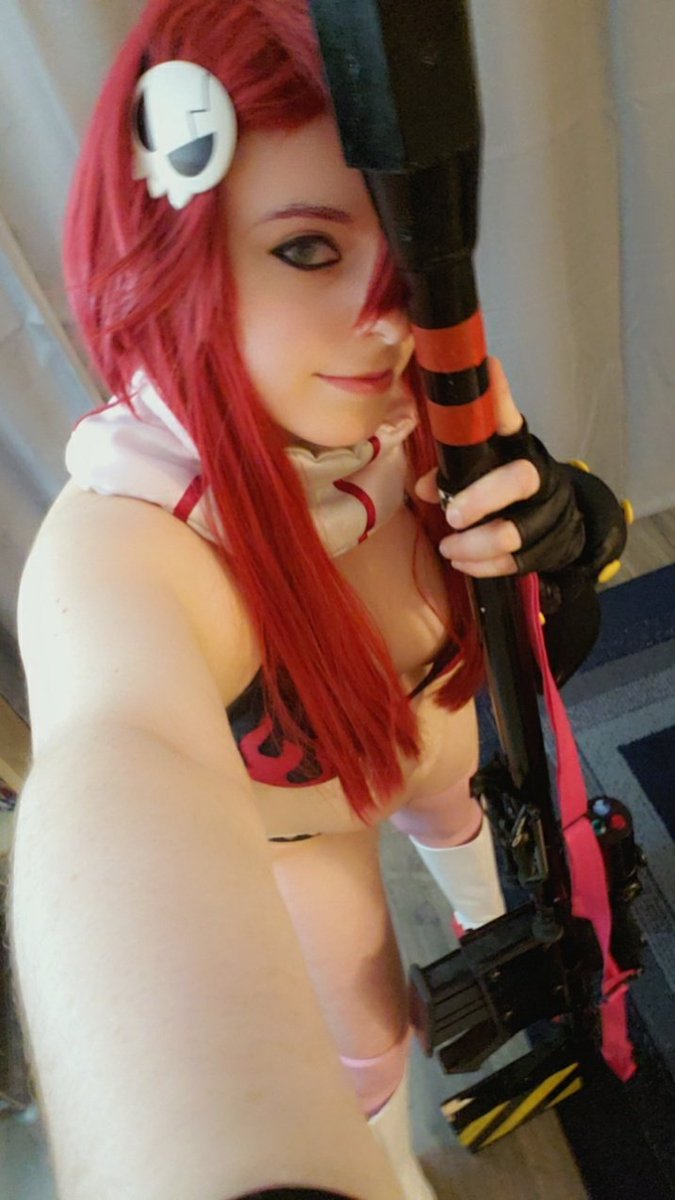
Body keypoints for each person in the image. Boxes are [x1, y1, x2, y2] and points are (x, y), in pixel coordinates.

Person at [7, 1, 625, 1198]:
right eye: (305, 249)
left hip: (454, 763)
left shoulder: (428, 390)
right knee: (363, 1031)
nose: (382, 318)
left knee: (499, 883)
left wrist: (566, 520)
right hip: (312, 833)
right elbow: (117, 773)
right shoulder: (135, 540)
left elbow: (550, 561)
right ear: (178, 245)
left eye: (396, 253)